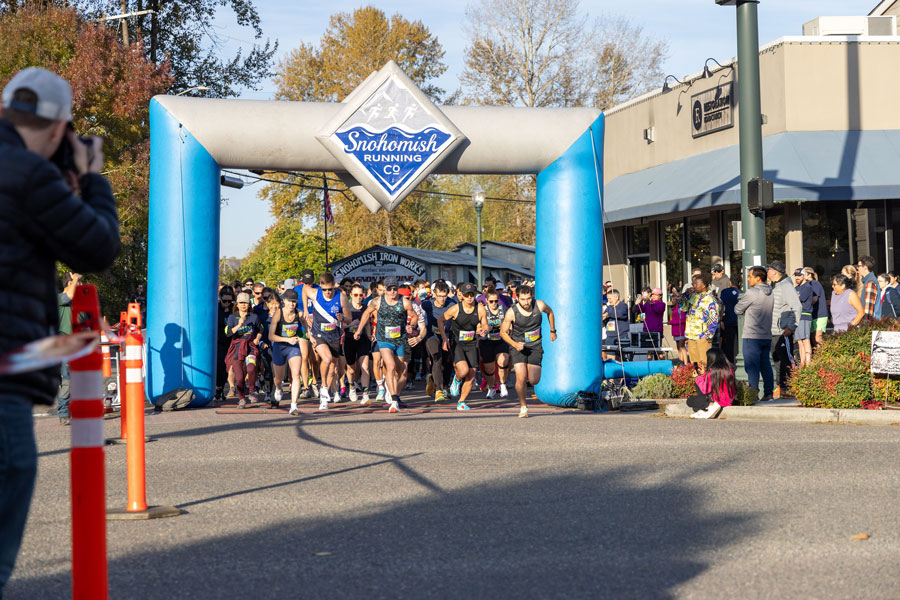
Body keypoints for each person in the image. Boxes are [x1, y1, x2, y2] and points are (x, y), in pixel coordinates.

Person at [0, 67, 121, 595]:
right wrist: (91, 178)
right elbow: (95, 248)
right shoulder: (26, 174)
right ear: (60, 129)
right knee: (12, 474)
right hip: (3, 373)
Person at [354, 278, 420, 413]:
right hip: (383, 339)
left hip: (400, 339)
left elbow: (414, 316)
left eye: (394, 289)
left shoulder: (404, 302)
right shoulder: (377, 301)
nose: (392, 292)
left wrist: (411, 326)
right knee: (390, 366)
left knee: (400, 370)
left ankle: (393, 391)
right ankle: (394, 401)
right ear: (385, 289)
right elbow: (366, 314)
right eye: (389, 289)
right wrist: (359, 330)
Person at [499, 284, 557, 418]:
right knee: (521, 376)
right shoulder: (512, 312)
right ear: (517, 298)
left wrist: (553, 330)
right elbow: (503, 332)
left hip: (535, 345)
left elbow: (550, 312)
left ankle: (526, 397)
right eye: (523, 299)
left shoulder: (540, 305)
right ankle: (523, 406)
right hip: (518, 346)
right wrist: (514, 344)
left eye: (529, 299)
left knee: (534, 380)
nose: (526, 302)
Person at [303, 273, 352, 410]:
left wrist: (342, 317)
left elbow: (349, 318)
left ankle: (324, 393)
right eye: (325, 289)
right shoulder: (315, 293)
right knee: (327, 358)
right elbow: (304, 290)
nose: (328, 292)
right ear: (321, 286)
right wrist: (306, 309)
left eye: (330, 289)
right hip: (319, 334)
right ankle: (323, 386)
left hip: (334, 335)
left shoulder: (340, 297)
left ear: (334, 286)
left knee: (333, 369)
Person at [438, 282, 489, 411]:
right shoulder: (456, 309)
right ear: (462, 296)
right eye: (467, 295)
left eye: (472, 294)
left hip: (471, 343)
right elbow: (440, 320)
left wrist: (485, 331)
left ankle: (461, 402)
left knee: (471, 375)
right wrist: (445, 338)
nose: (470, 297)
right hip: (457, 343)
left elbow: (486, 325)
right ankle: (457, 378)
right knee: (464, 371)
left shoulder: (480, 308)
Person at [733, 266, 774, 402]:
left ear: (757, 278)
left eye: (750, 276)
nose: (748, 279)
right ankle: (768, 393)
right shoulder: (771, 292)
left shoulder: (752, 292)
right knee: (765, 365)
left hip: (751, 334)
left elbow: (737, 309)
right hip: (766, 334)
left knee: (751, 366)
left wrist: (743, 306)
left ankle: (753, 392)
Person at [767, 261, 802, 396]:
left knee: (786, 360)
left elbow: (796, 307)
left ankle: (791, 388)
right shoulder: (774, 285)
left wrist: (792, 327)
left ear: (775, 272)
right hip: (773, 330)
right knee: (777, 361)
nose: (767, 271)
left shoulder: (785, 285)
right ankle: (781, 388)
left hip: (783, 331)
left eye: (769, 269)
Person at [269, 289, 304, 414]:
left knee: (295, 374)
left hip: (293, 347)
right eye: (289, 301)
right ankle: (278, 389)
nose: (292, 304)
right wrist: (287, 339)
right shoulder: (278, 314)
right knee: (278, 378)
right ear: (284, 301)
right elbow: (271, 336)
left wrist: (311, 338)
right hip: (280, 347)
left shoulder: (299, 314)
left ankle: (294, 405)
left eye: (294, 302)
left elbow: (306, 328)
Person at [225, 292, 263, 408]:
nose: (243, 305)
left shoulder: (254, 317)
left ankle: (252, 391)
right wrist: (238, 325)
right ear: (237, 303)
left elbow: (260, 329)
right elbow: (228, 333)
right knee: (240, 378)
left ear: (249, 304)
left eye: (245, 303)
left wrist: (257, 338)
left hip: (250, 346)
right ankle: (241, 398)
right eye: (241, 303)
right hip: (237, 349)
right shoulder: (232, 317)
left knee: (251, 369)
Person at [421, 280, 456, 402]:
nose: (442, 299)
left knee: (447, 363)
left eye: (444, 296)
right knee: (437, 358)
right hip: (432, 336)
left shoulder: (452, 304)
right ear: (434, 294)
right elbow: (415, 315)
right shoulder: (427, 305)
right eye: (439, 296)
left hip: (446, 336)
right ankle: (438, 390)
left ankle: (445, 386)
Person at [56, 272, 82, 426]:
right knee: (67, 381)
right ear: (69, 284)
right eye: (75, 283)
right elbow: (69, 295)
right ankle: (63, 413)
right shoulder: (60, 299)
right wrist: (76, 278)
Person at [682, 273, 719, 372]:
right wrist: (685, 295)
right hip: (691, 335)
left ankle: (705, 385)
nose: (693, 286)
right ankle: (696, 384)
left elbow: (714, 319)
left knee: (704, 364)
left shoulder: (710, 299)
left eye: (696, 284)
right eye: (693, 284)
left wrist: (707, 335)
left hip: (702, 337)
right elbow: (683, 307)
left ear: (703, 285)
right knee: (694, 365)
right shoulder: (693, 296)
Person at [343, 283, 373, 404]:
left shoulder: (366, 308)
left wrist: (369, 334)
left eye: (361, 295)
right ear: (351, 295)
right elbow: (341, 325)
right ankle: (351, 386)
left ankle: (365, 394)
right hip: (349, 339)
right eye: (356, 295)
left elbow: (367, 324)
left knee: (365, 367)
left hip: (362, 339)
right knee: (351, 369)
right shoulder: (347, 308)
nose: (359, 297)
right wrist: (351, 324)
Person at [479, 288, 511, 399]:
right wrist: (481, 330)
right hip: (486, 342)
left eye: (496, 301)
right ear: (487, 300)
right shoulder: (483, 311)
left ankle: (502, 385)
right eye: (491, 301)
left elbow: (510, 322)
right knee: (489, 369)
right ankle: (491, 388)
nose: (494, 303)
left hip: (501, 340)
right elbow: (478, 326)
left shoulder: (504, 309)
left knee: (503, 359)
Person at [688, 348, 736, 419]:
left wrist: (698, 377)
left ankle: (709, 405)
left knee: (689, 401)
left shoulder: (712, 371)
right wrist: (704, 374)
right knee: (698, 395)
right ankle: (705, 409)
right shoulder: (729, 369)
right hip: (729, 400)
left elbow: (705, 390)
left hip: (717, 400)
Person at [215, 286, 236, 402]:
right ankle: (219, 389)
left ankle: (222, 388)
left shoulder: (234, 309)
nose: (227, 303)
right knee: (220, 365)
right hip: (219, 341)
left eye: (230, 301)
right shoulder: (216, 308)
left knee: (229, 367)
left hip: (231, 341)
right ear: (220, 298)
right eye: (225, 301)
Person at [792, 269, 814, 367]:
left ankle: (808, 363)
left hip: (805, 315)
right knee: (799, 341)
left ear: (804, 276)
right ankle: (802, 363)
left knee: (805, 339)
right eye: (796, 275)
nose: (797, 277)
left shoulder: (807, 287)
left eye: (799, 275)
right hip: (797, 316)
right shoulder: (796, 288)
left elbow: (799, 299)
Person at [805, 268, 829, 351]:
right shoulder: (807, 285)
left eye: (803, 273)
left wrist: (803, 305)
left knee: (818, 339)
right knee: (813, 340)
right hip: (813, 315)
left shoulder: (814, 283)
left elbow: (814, 299)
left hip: (819, 314)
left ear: (809, 274)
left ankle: (826, 354)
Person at [719, 274, 740, 365]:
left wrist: (721, 320)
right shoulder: (742, 292)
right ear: (740, 283)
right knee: (739, 345)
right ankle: (737, 363)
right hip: (740, 322)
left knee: (728, 345)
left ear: (730, 282)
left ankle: (729, 364)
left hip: (727, 321)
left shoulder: (724, 292)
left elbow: (721, 307)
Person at [667, 284, 689, 365]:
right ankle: (681, 362)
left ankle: (685, 363)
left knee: (682, 347)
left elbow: (682, 320)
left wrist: (671, 322)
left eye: (674, 299)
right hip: (676, 331)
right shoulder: (674, 309)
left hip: (681, 330)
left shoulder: (680, 308)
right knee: (678, 348)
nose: (672, 300)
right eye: (672, 299)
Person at [856, 255, 882, 320]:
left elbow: (868, 310)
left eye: (859, 266)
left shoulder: (870, 283)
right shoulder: (867, 281)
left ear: (865, 267)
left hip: (870, 325)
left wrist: (865, 326)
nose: (857, 268)